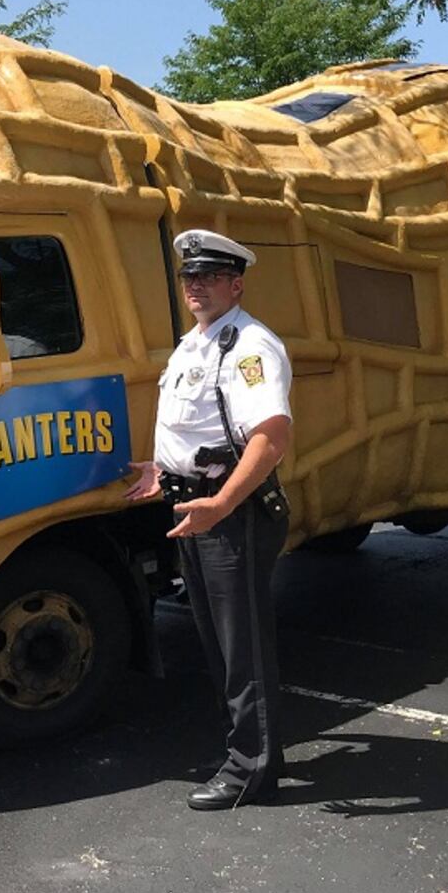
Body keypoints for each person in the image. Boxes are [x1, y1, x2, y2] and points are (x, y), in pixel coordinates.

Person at [124, 229, 293, 810]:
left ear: (236, 283)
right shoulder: (197, 343)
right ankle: (245, 749)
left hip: (231, 512)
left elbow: (271, 439)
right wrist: (162, 467)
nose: (195, 286)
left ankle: (252, 769)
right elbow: (201, 428)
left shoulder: (249, 347)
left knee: (240, 645)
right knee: (219, 643)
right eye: (188, 277)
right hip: (196, 506)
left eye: (209, 276)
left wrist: (221, 503)